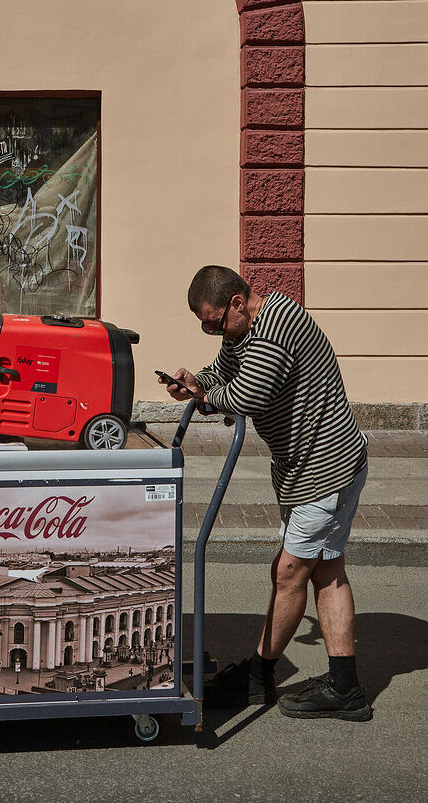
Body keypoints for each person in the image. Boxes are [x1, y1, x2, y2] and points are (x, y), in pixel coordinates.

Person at [162, 265, 372, 721]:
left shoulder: (276, 324)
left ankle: (259, 677)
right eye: (205, 327)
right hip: (308, 468)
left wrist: (206, 398)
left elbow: (248, 394)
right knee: (326, 569)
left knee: (289, 572)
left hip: (325, 467)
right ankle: (345, 686)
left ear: (238, 302)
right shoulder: (242, 331)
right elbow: (223, 372)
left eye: (214, 323)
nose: (213, 332)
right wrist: (197, 383)